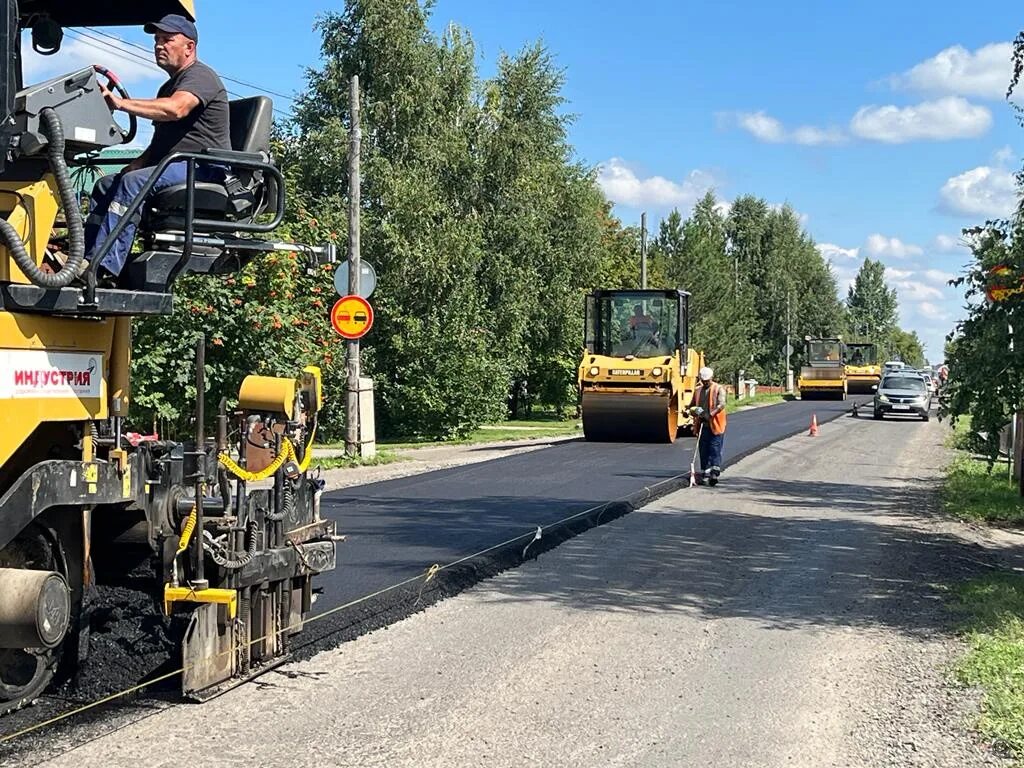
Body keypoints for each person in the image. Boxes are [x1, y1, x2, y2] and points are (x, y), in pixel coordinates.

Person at [84, 14, 230, 283]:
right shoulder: (168, 86)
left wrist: (119, 104)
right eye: (156, 40)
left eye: (167, 40)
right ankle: (83, 258)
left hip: (203, 169)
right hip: (177, 164)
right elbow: (159, 146)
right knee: (107, 185)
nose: (159, 45)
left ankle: (101, 270)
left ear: (189, 47)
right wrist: (134, 166)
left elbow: (176, 109)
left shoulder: (201, 76)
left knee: (131, 184)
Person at [690, 366, 727, 486]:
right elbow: (691, 405)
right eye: (703, 381)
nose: (705, 382)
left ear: (712, 378)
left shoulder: (718, 389)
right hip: (702, 425)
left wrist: (710, 415)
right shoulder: (698, 390)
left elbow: (721, 404)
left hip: (716, 424)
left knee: (715, 449)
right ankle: (705, 473)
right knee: (704, 449)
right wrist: (693, 411)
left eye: (707, 380)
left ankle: (714, 473)